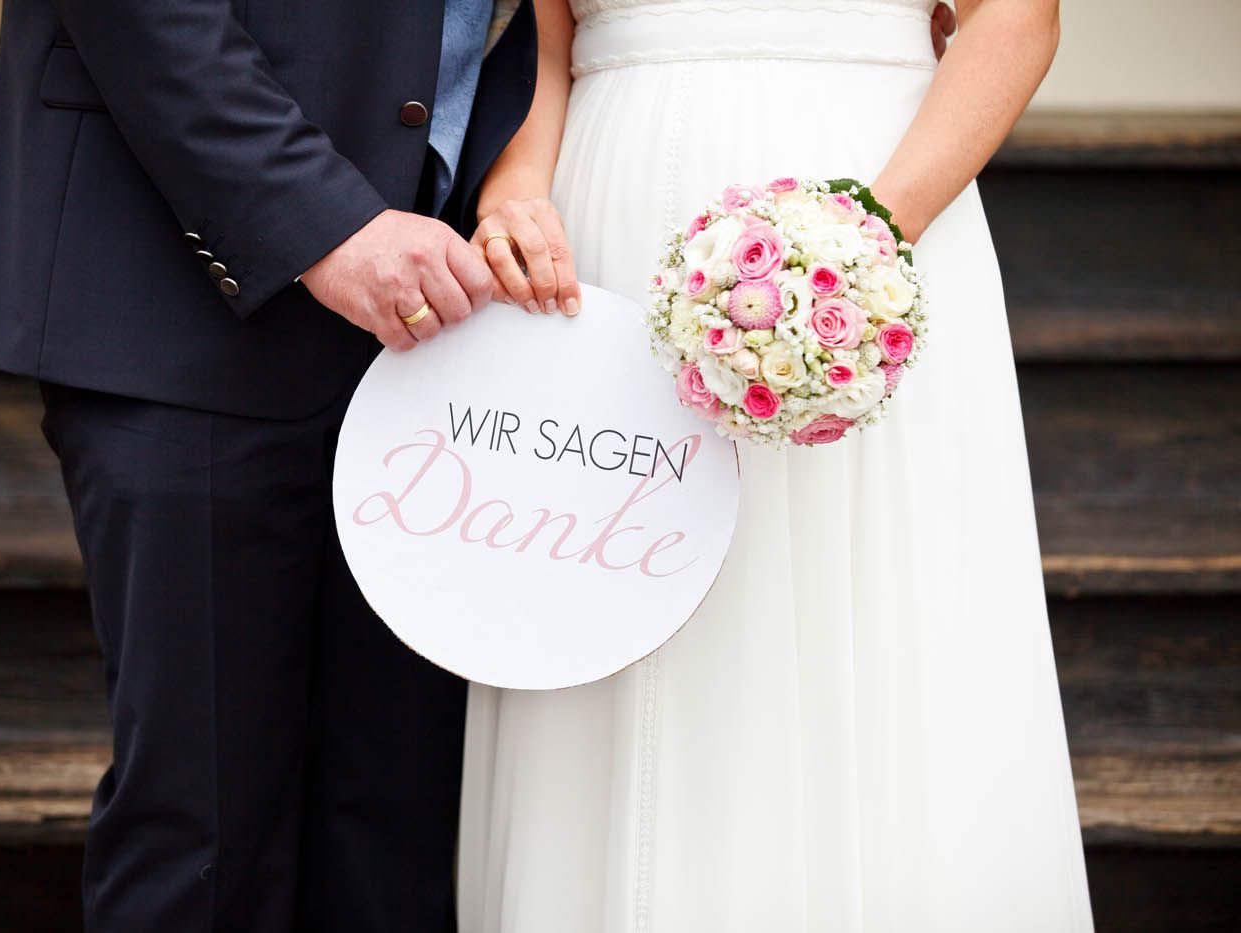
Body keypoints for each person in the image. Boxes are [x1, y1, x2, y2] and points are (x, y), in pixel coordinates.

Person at [460, 1, 1095, 930]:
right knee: (612, 602)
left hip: (871, 206)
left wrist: (868, 233)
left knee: (870, 609)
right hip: (608, 238)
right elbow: (547, 47)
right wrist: (512, 198)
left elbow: (1017, 16)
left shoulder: (870, 229)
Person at [0, 1, 537, 929]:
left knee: (401, 835)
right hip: (174, 281)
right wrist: (323, 223)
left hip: (457, 324)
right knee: (205, 836)